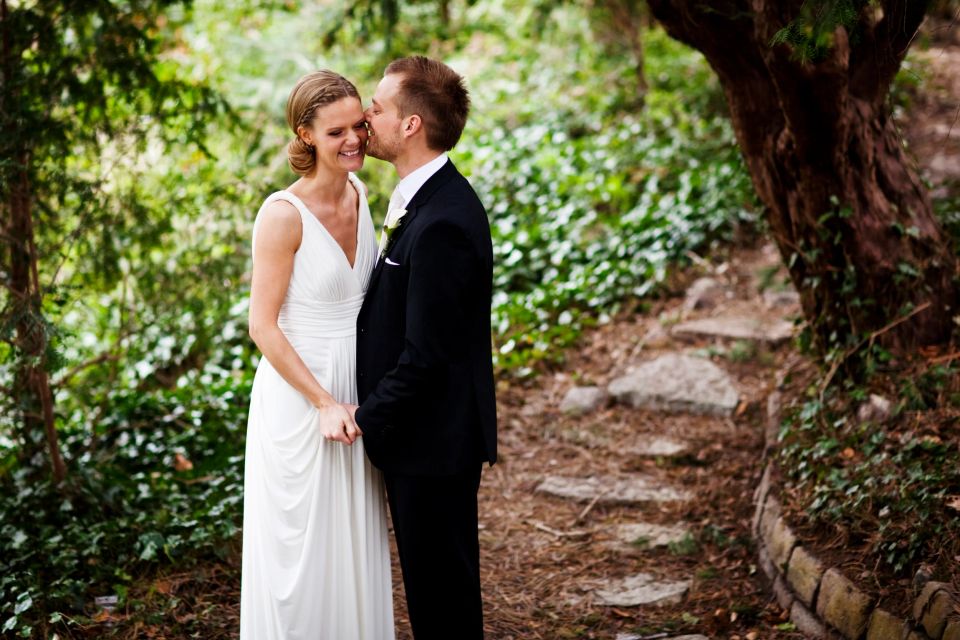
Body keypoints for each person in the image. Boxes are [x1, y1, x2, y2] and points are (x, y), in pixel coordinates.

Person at [240, 70, 394, 640]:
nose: (354, 139)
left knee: (351, 538)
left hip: (360, 387)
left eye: (359, 124)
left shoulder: (361, 193)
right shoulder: (282, 215)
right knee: (301, 553)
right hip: (302, 397)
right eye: (336, 132)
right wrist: (325, 402)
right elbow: (262, 325)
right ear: (304, 134)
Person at [353, 56, 498, 639]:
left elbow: (427, 357)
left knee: (443, 602)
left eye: (379, 107)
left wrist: (364, 418)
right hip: (423, 439)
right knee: (435, 593)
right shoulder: (422, 199)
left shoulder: (442, 221)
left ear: (411, 125)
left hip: (433, 444)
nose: (367, 116)